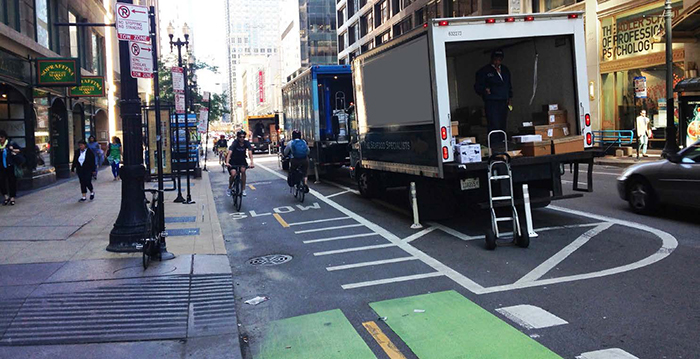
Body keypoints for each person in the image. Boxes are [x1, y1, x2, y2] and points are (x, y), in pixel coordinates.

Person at [474, 49, 513, 146]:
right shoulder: (484, 71)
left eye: (499, 60)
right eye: (495, 60)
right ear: (492, 59)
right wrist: (485, 91)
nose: (497, 62)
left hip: (503, 100)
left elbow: (509, 85)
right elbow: (478, 86)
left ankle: (502, 141)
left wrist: (509, 98)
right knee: (493, 122)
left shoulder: (505, 70)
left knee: (502, 121)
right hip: (492, 101)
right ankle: (494, 143)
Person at [226, 130, 254, 196]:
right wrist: (227, 162)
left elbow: (250, 152)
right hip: (233, 161)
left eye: (243, 137)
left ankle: (243, 189)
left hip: (242, 160)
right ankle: (229, 188)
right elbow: (230, 152)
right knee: (233, 174)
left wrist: (251, 162)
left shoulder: (246, 143)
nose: (242, 138)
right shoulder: (235, 143)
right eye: (240, 137)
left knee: (243, 171)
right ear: (238, 137)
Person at [0, 130, 21, 206]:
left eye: (1, 137)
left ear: (5, 137)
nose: (0, 139)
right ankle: (6, 196)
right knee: (1, 182)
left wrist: (12, 149)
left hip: (10, 166)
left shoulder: (10, 144)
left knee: (11, 181)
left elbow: (19, 150)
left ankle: (12, 197)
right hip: (1, 167)